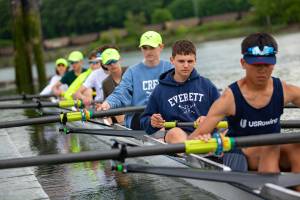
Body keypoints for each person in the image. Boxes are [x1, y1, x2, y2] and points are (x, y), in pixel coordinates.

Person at [188, 32, 300, 179]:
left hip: (272, 150)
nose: (262, 70)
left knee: (296, 146)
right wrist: (207, 140)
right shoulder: (229, 98)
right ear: (243, 63)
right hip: (239, 154)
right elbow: (191, 142)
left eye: (267, 64)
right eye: (256, 64)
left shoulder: (285, 90)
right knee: (270, 146)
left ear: (273, 63)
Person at [140, 40, 219, 143]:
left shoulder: (206, 84)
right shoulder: (160, 90)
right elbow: (144, 120)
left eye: (190, 61)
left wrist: (208, 119)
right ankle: (192, 156)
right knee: (175, 133)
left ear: (195, 61)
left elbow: (225, 113)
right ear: (172, 60)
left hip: (205, 134)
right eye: (181, 61)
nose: (186, 65)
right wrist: (152, 122)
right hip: (178, 136)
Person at [97, 31, 173, 129]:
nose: (148, 51)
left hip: (165, 116)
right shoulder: (132, 72)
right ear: (141, 49)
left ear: (161, 47)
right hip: (140, 116)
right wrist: (108, 103)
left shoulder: (170, 68)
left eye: (152, 47)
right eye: (145, 48)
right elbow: (121, 93)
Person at [101, 48, 128, 124]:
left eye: (114, 61)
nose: (112, 64)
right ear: (104, 65)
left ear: (120, 59)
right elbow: (107, 107)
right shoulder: (105, 83)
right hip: (119, 116)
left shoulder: (130, 72)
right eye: (109, 62)